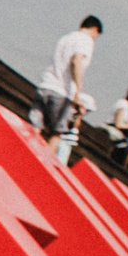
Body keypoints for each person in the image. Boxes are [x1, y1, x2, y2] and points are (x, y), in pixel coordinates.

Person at [30, 15, 100, 165]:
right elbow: (76, 60)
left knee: (36, 127)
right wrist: (78, 91)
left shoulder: (66, 38)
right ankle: (42, 164)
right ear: (95, 30)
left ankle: (27, 156)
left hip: (45, 85)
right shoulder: (86, 40)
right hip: (61, 91)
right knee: (57, 133)